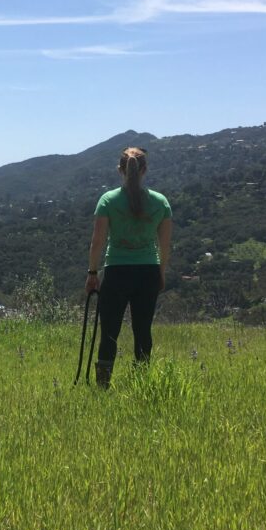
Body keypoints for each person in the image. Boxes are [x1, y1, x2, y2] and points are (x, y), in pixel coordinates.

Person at [85, 147, 172, 387]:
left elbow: (97, 242)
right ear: (145, 170)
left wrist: (92, 273)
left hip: (116, 271)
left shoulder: (108, 200)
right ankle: (142, 382)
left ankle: (103, 386)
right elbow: (164, 246)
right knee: (143, 330)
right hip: (148, 271)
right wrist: (161, 272)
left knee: (109, 331)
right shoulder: (160, 202)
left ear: (119, 170)